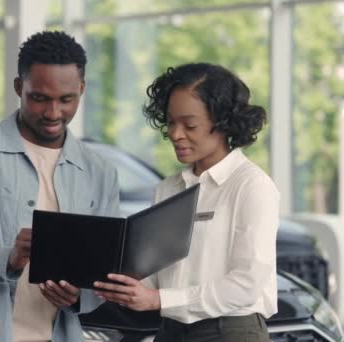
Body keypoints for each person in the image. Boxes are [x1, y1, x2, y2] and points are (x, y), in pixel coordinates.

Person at [0, 31, 119, 342]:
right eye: (39, 98)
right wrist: (8, 259)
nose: (53, 113)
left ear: (81, 90)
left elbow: (104, 273)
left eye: (66, 100)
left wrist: (78, 297)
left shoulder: (100, 172)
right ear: (19, 87)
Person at [93, 63, 279, 341]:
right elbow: (155, 278)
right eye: (170, 122)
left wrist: (159, 300)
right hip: (171, 332)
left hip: (231, 332)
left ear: (224, 122)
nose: (176, 134)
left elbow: (246, 285)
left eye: (189, 124)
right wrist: (114, 284)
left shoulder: (251, 186)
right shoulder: (167, 189)